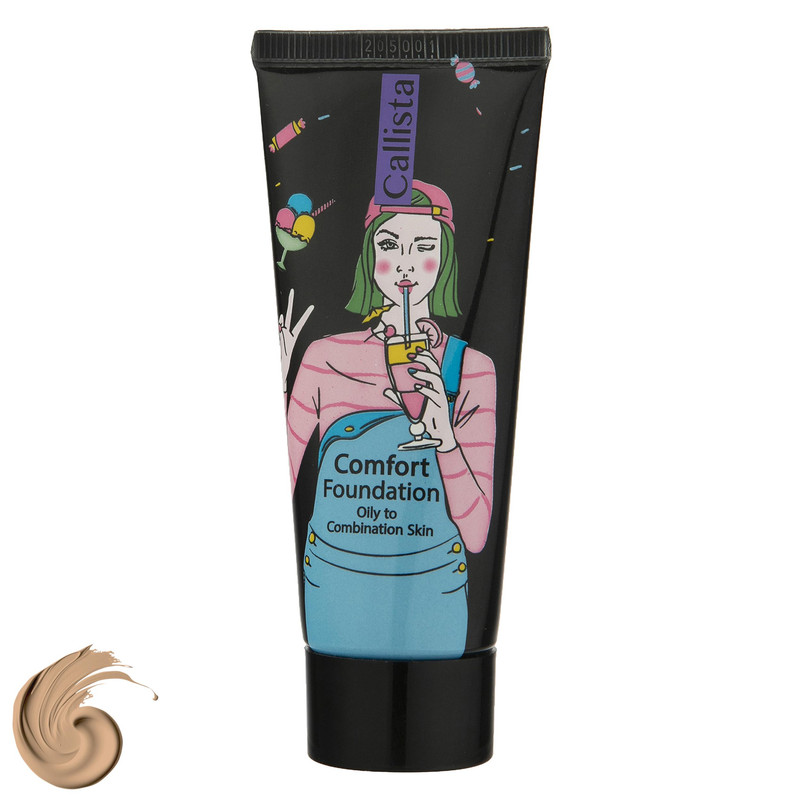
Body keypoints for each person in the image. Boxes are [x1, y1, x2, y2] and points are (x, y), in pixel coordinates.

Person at [279, 180, 496, 659]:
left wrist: (445, 439)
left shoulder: (471, 369)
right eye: (389, 244)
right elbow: (285, 489)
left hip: (437, 611)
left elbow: (477, 534)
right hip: (333, 598)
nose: (405, 264)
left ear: (445, 259)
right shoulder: (324, 358)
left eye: (424, 247)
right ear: (369, 255)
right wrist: (284, 383)